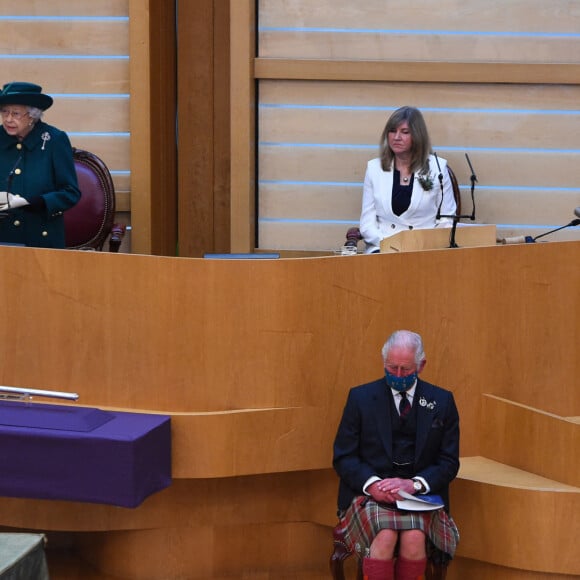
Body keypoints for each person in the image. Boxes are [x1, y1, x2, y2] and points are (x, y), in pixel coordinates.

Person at [333, 330, 460, 580]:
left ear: (421, 365)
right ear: (383, 362)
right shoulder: (360, 398)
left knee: (414, 539)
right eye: (392, 368)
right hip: (367, 495)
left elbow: (448, 462)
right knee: (386, 535)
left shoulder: (442, 401)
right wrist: (372, 485)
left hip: (420, 496)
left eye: (405, 369)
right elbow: (343, 456)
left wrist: (414, 484)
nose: (398, 375)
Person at [359, 106, 457, 253]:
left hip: (424, 250)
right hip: (383, 248)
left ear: (417, 136)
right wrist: (390, 246)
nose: (396, 137)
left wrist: (423, 246)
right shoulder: (374, 169)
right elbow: (367, 224)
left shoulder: (438, 168)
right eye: (392, 131)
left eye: (404, 132)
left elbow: (447, 221)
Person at [0, 81, 81, 248]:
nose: (8, 119)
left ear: (33, 115)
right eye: (4, 112)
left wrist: (31, 202)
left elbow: (70, 192)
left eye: (16, 113)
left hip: (41, 238)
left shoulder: (55, 140)